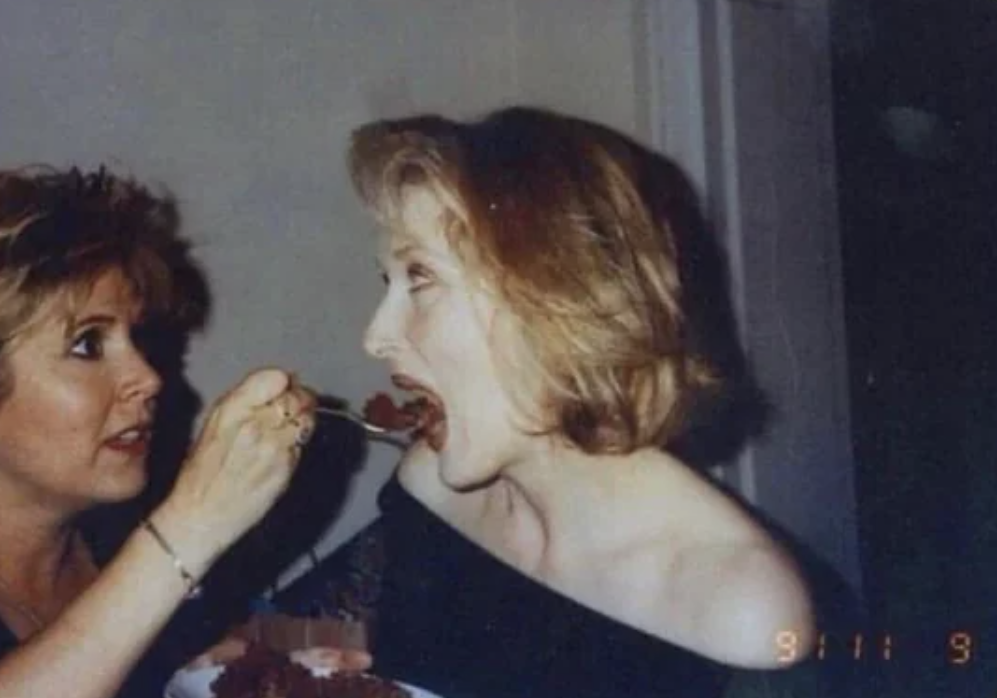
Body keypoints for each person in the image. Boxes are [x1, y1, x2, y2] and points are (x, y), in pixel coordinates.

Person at [345, 107, 818, 698]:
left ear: (563, 300)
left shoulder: (741, 612)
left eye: (420, 279)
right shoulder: (432, 490)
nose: (376, 335)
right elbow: (329, 637)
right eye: (387, 283)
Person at [0, 165, 320, 698]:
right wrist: (189, 527)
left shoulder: (111, 542)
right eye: (88, 345)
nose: (149, 378)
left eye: (136, 337)